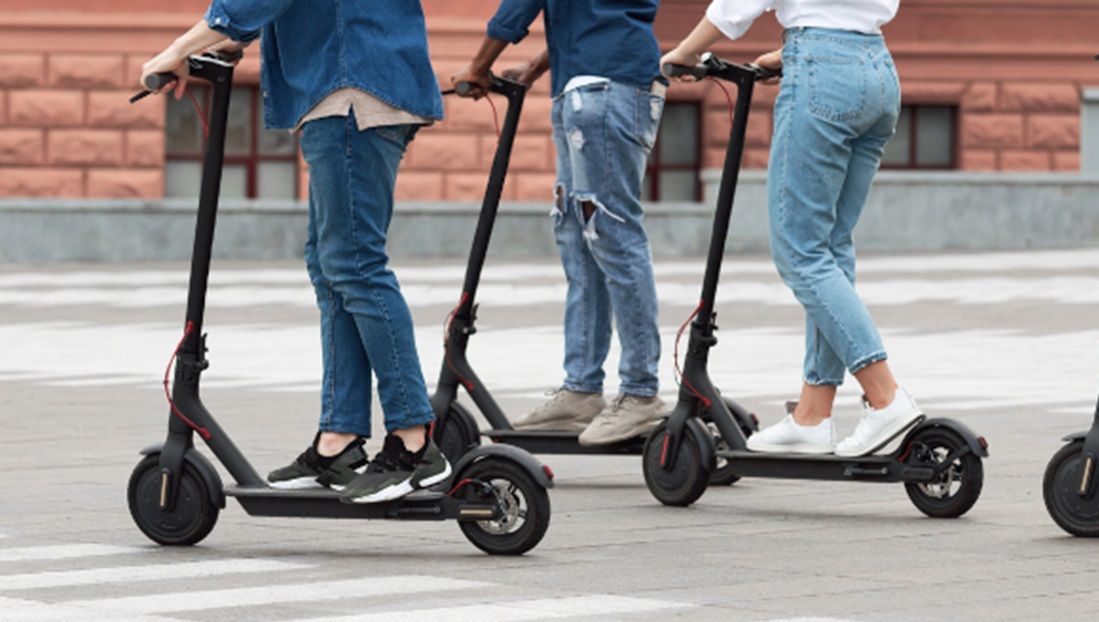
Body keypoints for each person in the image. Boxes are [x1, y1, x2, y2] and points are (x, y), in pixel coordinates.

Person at [139, 0, 451, 504]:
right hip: (349, 86)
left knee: (356, 266)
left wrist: (179, 48)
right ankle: (339, 440)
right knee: (332, 268)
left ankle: (414, 442)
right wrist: (229, 41)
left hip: (352, 91)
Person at [662, 0, 923, 457]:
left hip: (824, 75)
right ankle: (812, 413)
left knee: (800, 252)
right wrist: (791, 52)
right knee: (831, 248)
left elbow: (737, 5)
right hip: (877, 69)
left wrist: (683, 52)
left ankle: (885, 397)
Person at [452, 0, 672, 447]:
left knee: (613, 233)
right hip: (586, 84)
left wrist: (479, 65)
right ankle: (582, 389)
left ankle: (640, 392)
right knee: (577, 235)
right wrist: (535, 66)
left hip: (605, 88)